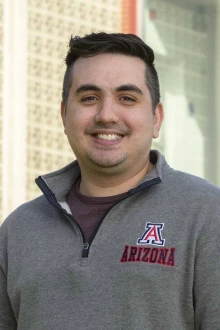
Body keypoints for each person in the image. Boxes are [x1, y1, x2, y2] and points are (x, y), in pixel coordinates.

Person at [0, 32, 220, 330]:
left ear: (156, 118)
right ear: (65, 115)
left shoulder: (207, 215)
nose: (106, 115)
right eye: (89, 98)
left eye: (127, 98)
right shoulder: (18, 231)